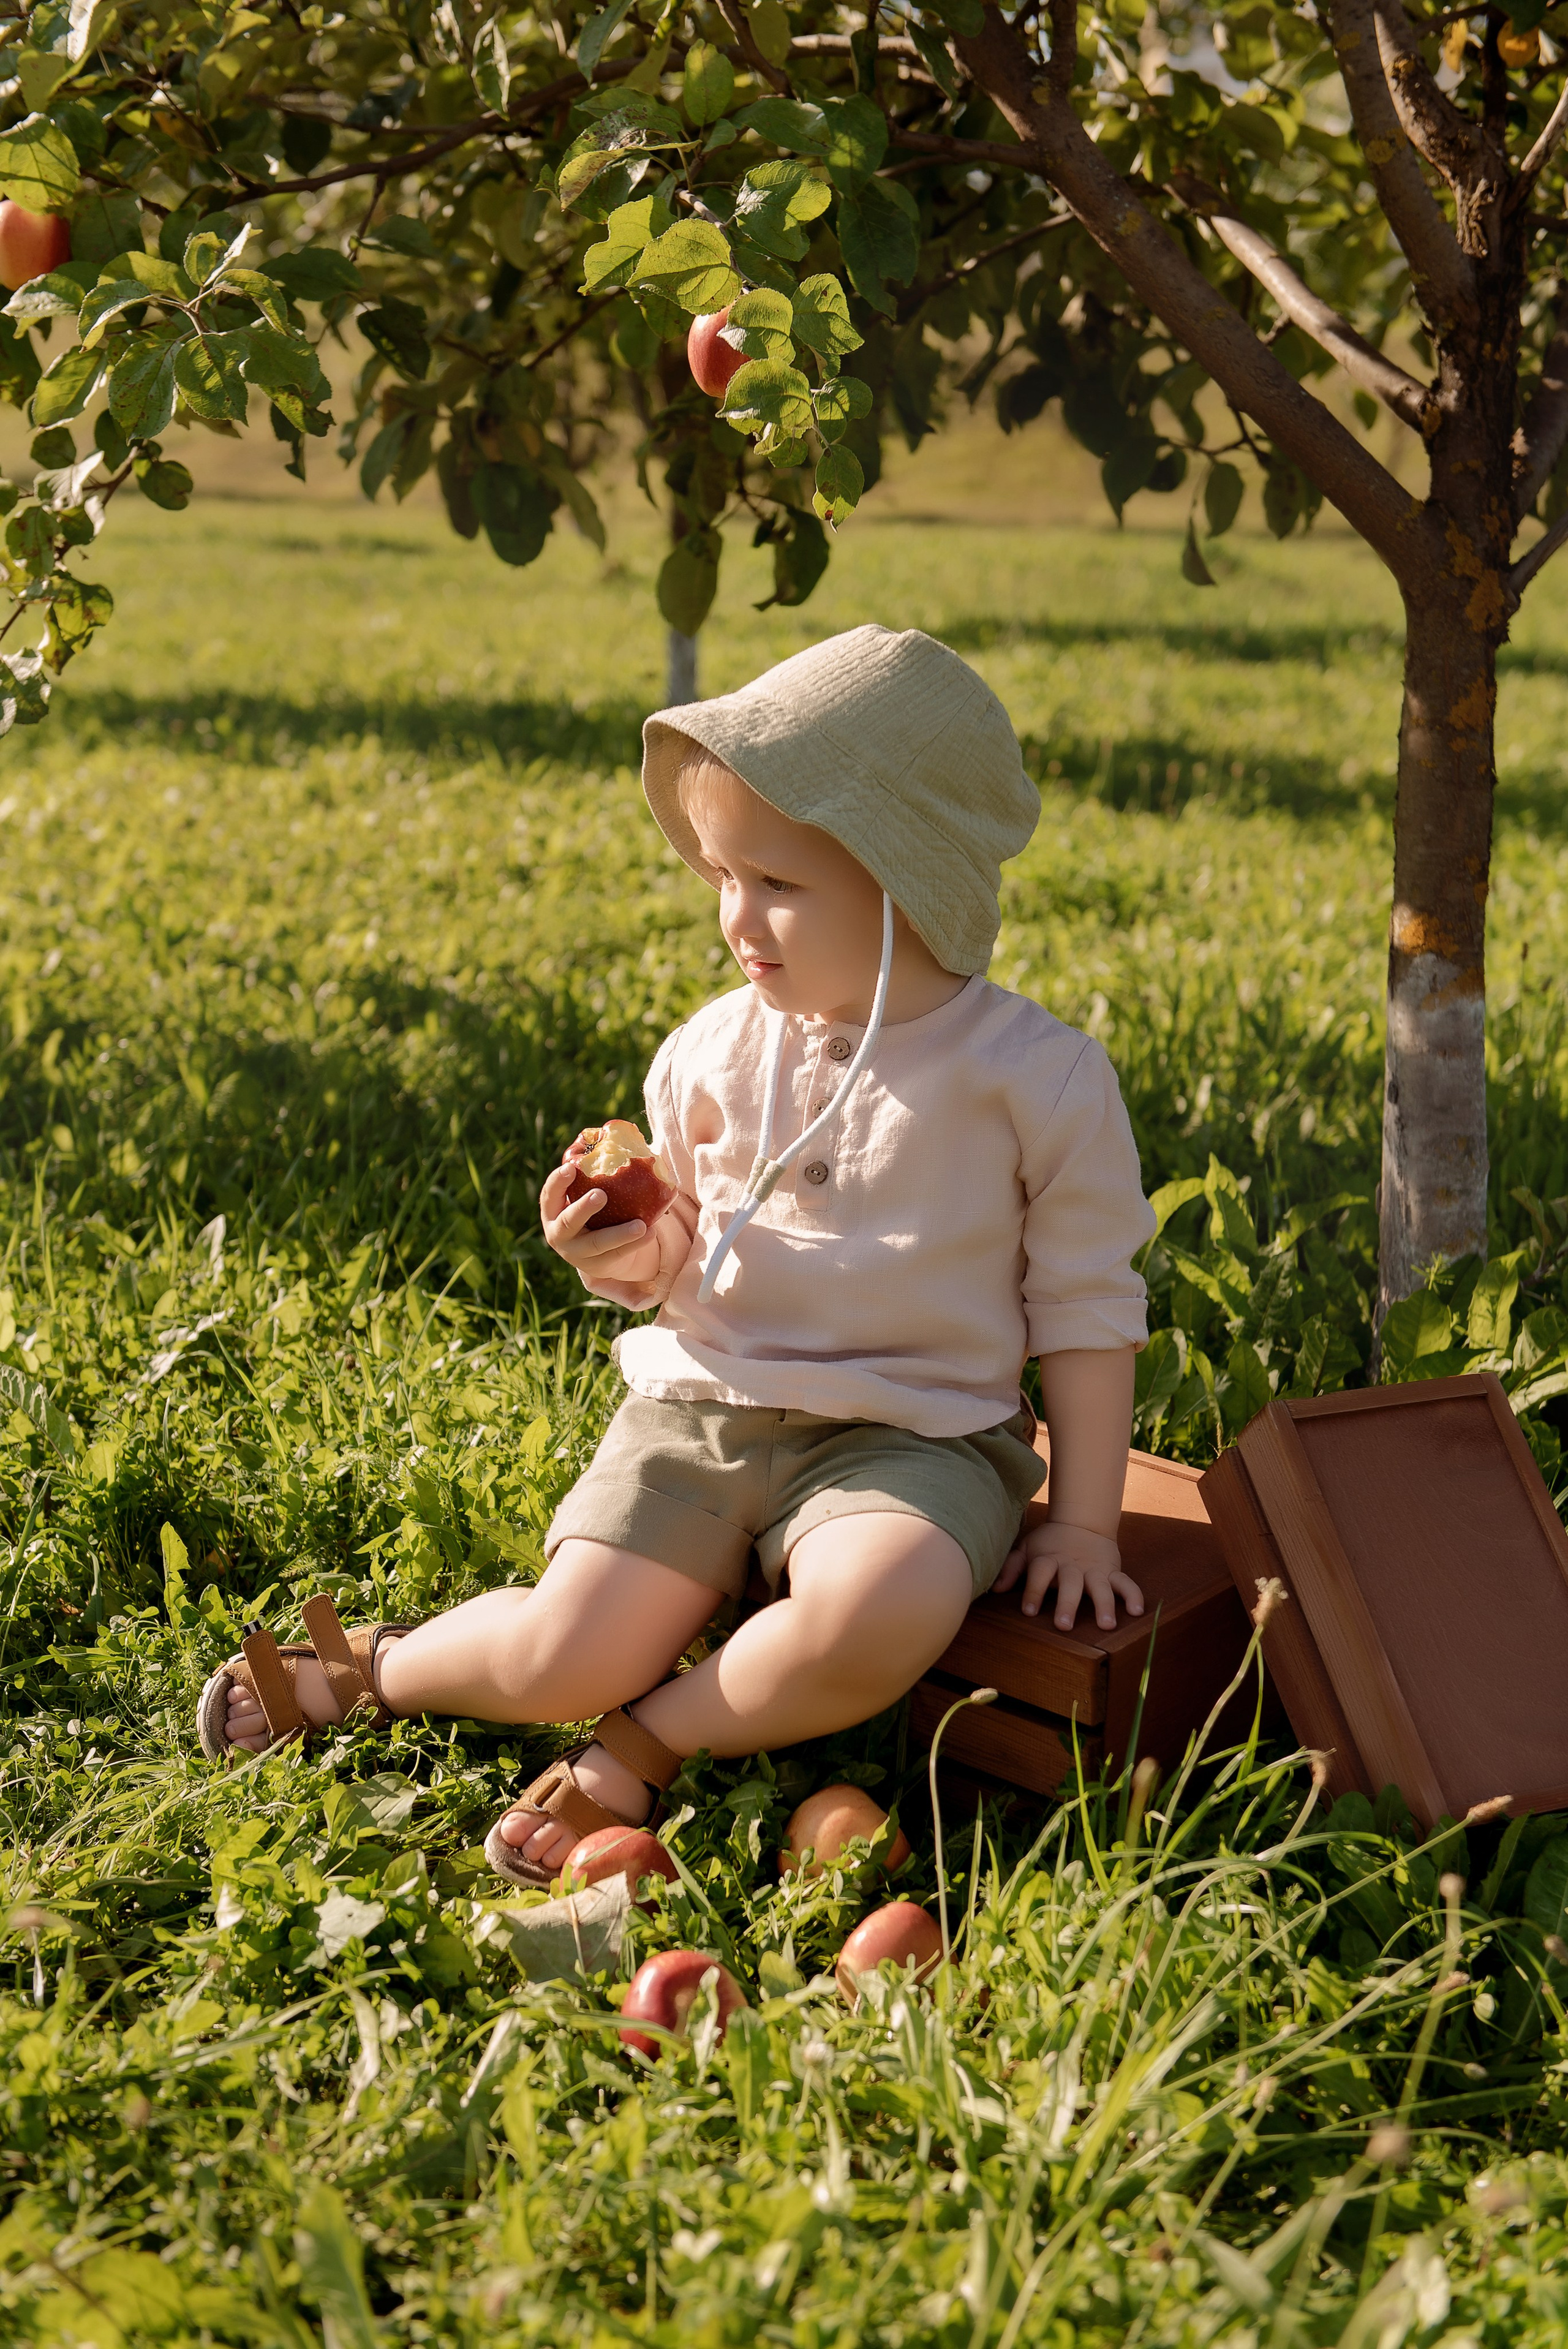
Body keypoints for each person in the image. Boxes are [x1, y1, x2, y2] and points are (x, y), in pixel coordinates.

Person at [198, 625, 1157, 1887]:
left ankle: (647, 1736)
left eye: (776, 883)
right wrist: (626, 1249)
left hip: (914, 1436)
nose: (734, 916)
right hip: (700, 1412)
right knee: (561, 1650)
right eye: (718, 873)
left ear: (905, 875)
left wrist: (1081, 1523)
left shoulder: (1032, 1079)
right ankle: (375, 1667)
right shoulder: (708, 1051)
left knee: (875, 1608)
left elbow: (1085, 1311)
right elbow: (687, 1259)